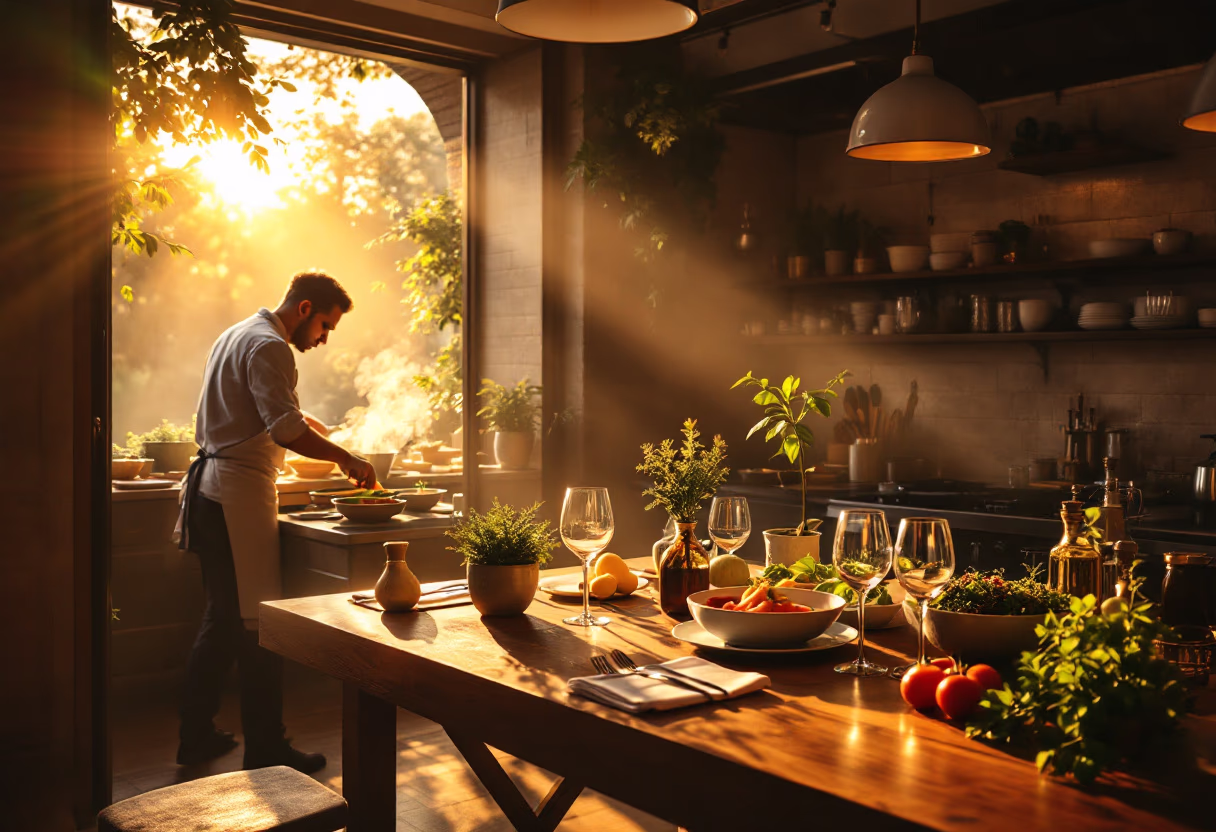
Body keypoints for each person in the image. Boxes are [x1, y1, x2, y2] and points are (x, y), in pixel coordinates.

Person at [175, 271, 377, 773]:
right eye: (326, 326)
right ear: (305, 308)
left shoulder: (237, 333)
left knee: (221, 622)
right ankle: (265, 746)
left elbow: (254, 412)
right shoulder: (272, 346)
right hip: (233, 498)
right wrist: (345, 458)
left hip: (209, 493)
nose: (325, 339)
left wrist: (306, 424)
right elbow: (282, 429)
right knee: (257, 625)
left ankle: (195, 737)